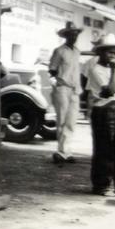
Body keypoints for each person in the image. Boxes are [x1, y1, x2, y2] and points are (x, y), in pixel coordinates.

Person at [86, 33, 115, 196]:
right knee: (104, 148)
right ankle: (101, 185)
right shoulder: (96, 69)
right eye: (108, 52)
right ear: (100, 53)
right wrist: (113, 71)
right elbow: (109, 90)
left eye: (114, 52)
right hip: (103, 109)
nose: (112, 56)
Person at [48, 21, 82, 165]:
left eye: (75, 34)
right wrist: (57, 83)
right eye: (71, 34)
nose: (74, 37)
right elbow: (52, 69)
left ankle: (66, 151)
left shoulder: (77, 51)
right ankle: (61, 151)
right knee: (61, 120)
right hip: (63, 88)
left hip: (75, 89)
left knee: (71, 121)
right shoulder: (59, 51)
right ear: (66, 36)